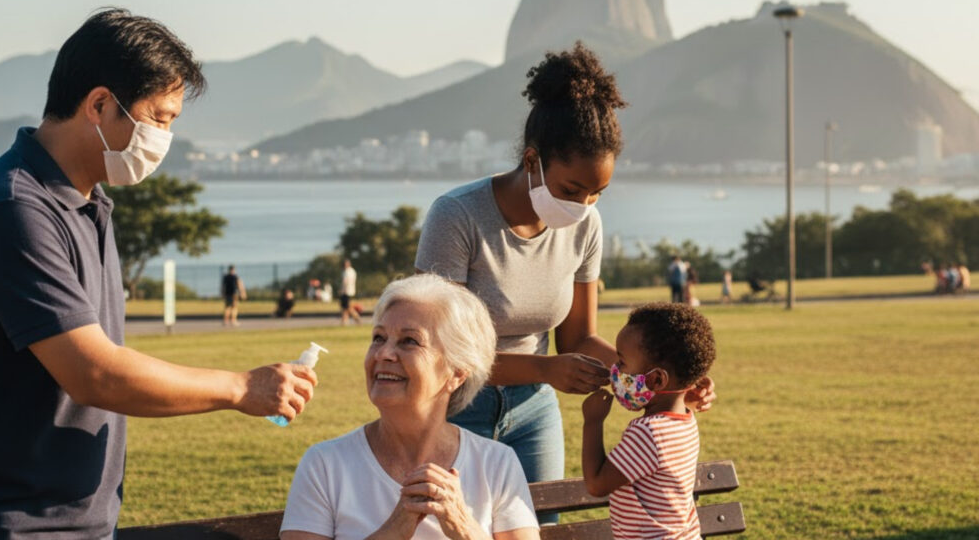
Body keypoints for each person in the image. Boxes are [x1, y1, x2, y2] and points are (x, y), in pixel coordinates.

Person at [0, 9, 317, 539]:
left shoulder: (89, 202)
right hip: (12, 524)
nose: (164, 138)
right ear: (100, 104)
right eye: (159, 118)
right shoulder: (15, 209)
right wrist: (241, 387)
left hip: (79, 523)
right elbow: (94, 373)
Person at [414, 43, 715, 524]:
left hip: (534, 412)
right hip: (454, 409)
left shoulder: (586, 226)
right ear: (532, 160)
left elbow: (578, 340)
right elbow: (436, 352)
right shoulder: (457, 217)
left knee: (536, 530)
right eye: (572, 190)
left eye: (598, 193)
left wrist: (669, 381)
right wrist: (546, 368)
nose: (583, 206)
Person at [280, 274, 539, 540]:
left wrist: (463, 526)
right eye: (379, 338)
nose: (383, 353)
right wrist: (395, 529)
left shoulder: (496, 463)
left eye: (409, 341)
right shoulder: (325, 465)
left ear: (457, 373)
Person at [581, 303, 716, 540]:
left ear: (656, 380)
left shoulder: (648, 433)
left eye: (622, 362)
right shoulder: (686, 420)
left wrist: (593, 421)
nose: (615, 369)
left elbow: (597, 485)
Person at [340, 258, 361, 325]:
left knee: (346, 307)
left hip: (346, 291)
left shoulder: (346, 272)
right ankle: (344, 321)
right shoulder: (352, 271)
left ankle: (356, 317)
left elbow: (345, 282)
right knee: (345, 307)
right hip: (351, 291)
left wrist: (341, 290)